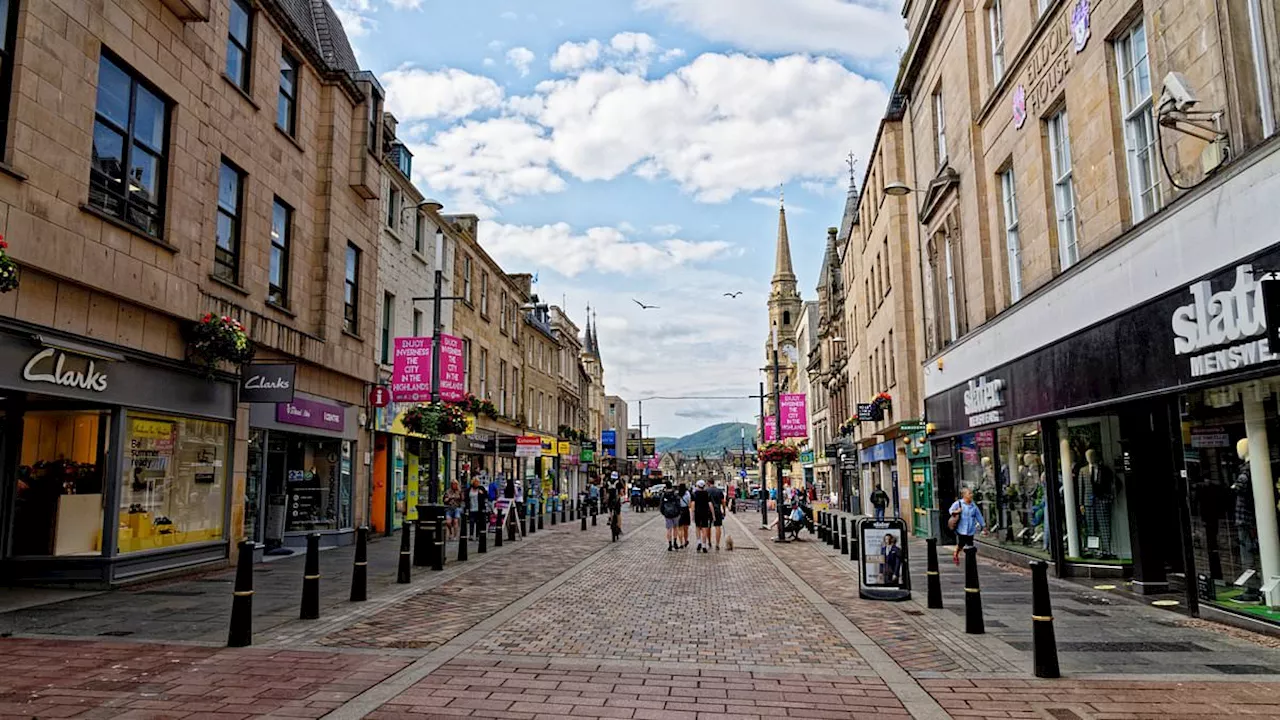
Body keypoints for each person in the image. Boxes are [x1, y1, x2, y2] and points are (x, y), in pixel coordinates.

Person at [948, 487, 987, 565]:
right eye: (969, 493)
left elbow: (978, 515)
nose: (971, 495)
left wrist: (983, 526)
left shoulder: (973, 505)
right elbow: (950, 510)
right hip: (961, 528)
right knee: (961, 543)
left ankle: (970, 561)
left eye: (971, 493)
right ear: (964, 495)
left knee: (970, 544)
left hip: (970, 528)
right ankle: (956, 552)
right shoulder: (958, 503)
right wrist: (957, 511)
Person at [692, 480, 714, 553]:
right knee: (704, 529)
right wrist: (713, 515)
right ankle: (704, 546)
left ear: (698, 486)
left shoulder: (695, 494)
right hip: (705, 513)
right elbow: (710, 504)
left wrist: (692, 514)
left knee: (697, 528)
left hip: (697, 513)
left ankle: (699, 542)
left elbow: (693, 505)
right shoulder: (707, 494)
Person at [660, 484, 682, 551]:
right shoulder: (675, 494)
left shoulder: (664, 495)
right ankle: (675, 542)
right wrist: (679, 512)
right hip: (675, 513)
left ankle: (670, 544)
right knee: (675, 528)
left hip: (667, 514)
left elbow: (661, 505)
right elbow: (678, 504)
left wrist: (663, 513)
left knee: (669, 529)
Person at [708, 480, 726, 550]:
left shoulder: (706, 491)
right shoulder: (719, 491)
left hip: (708, 511)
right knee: (718, 527)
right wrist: (724, 511)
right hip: (717, 510)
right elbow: (723, 502)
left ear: (708, 483)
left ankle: (709, 542)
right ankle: (717, 544)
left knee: (708, 527)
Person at [677, 483, 691, 548]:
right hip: (686, 510)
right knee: (686, 528)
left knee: (680, 529)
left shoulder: (677, 494)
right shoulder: (687, 493)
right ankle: (686, 541)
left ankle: (681, 543)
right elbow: (689, 503)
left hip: (679, 511)